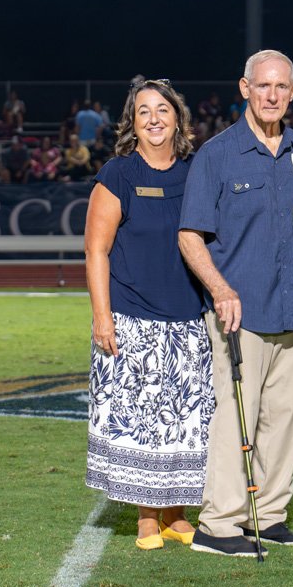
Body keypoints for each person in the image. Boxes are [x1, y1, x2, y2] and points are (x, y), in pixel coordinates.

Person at [178, 50, 293, 557]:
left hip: (292, 306)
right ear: (244, 88)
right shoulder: (217, 154)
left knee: (284, 418)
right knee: (234, 419)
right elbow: (190, 235)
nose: (273, 95)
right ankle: (218, 524)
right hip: (238, 313)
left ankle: (269, 515)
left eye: (282, 87)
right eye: (264, 86)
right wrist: (221, 289)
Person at [84, 78, 213, 551]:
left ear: (178, 118)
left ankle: (176, 514)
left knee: (183, 421)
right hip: (133, 318)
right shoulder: (117, 174)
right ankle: (144, 518)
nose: (154, 118)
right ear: (132, 123)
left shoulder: (197, 173)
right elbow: (96, 251)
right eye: (144, 111)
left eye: (163, 109)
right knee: (143, 421)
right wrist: (103, 316)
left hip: (187, 319)